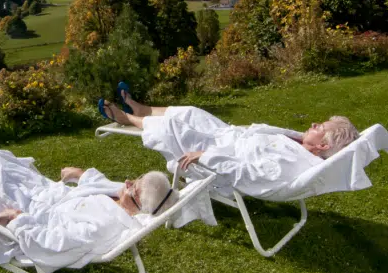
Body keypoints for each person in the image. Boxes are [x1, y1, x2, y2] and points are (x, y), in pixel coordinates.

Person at [0, 127, 178, 272]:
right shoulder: (124, 202)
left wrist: (18, 219)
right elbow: (101, 185)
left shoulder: (105, 225)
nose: (127, 182)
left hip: (32, 211)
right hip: (47, 193)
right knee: (0, 157)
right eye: (134, 178)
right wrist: (79, 174)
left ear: (137, 203)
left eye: (133, 186)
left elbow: (53, 244)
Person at [98, 89, 361, 207]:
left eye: (319, 127)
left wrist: (207, 156)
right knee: (191, 112)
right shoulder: (300, 145)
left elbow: (250, 174)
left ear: (323, 145)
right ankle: (142, 109)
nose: (313, 123)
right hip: (227, 137)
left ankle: (127, 118)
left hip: (219, 158)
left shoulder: (291, 162)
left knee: (172, 127)